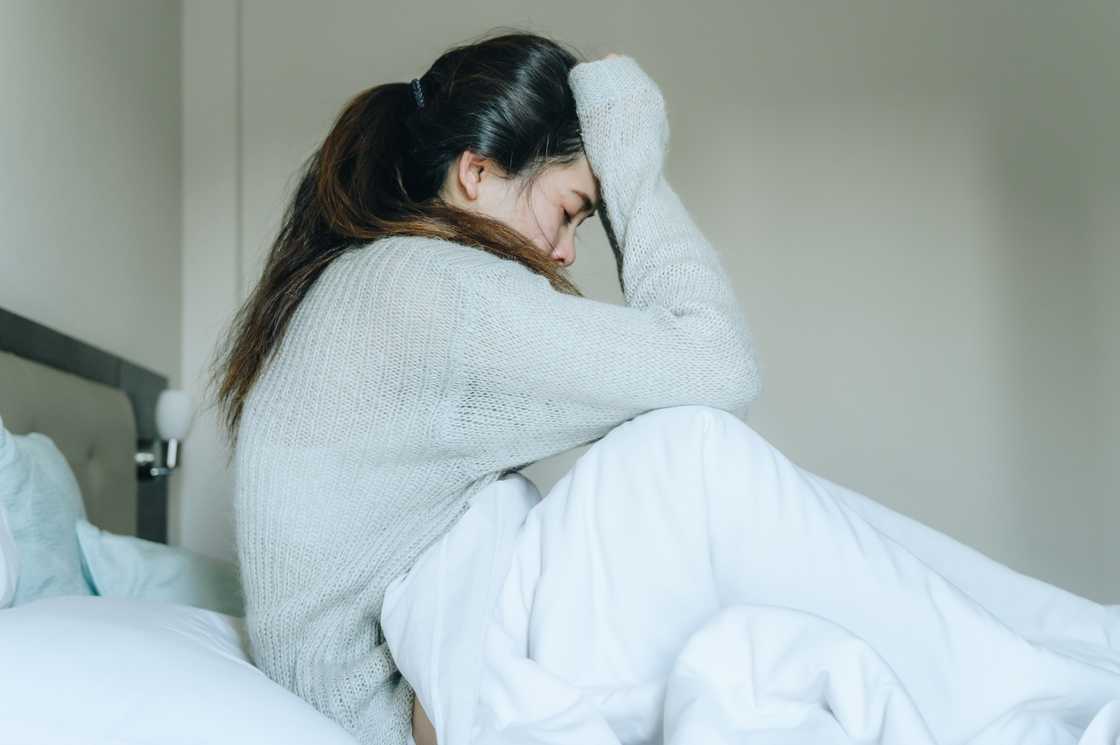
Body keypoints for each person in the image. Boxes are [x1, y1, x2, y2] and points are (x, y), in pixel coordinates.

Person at [210, 28, 1120, 745]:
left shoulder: (374, 287)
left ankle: (1072, 651)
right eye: (568, 210)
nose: (566, 252)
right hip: (412, 713)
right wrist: (634, 161)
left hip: (430, 678)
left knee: (681, 461)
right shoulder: (418, 289)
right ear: (477, 173)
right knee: (685, 453)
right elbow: (717, 365)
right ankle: (1068, 665)